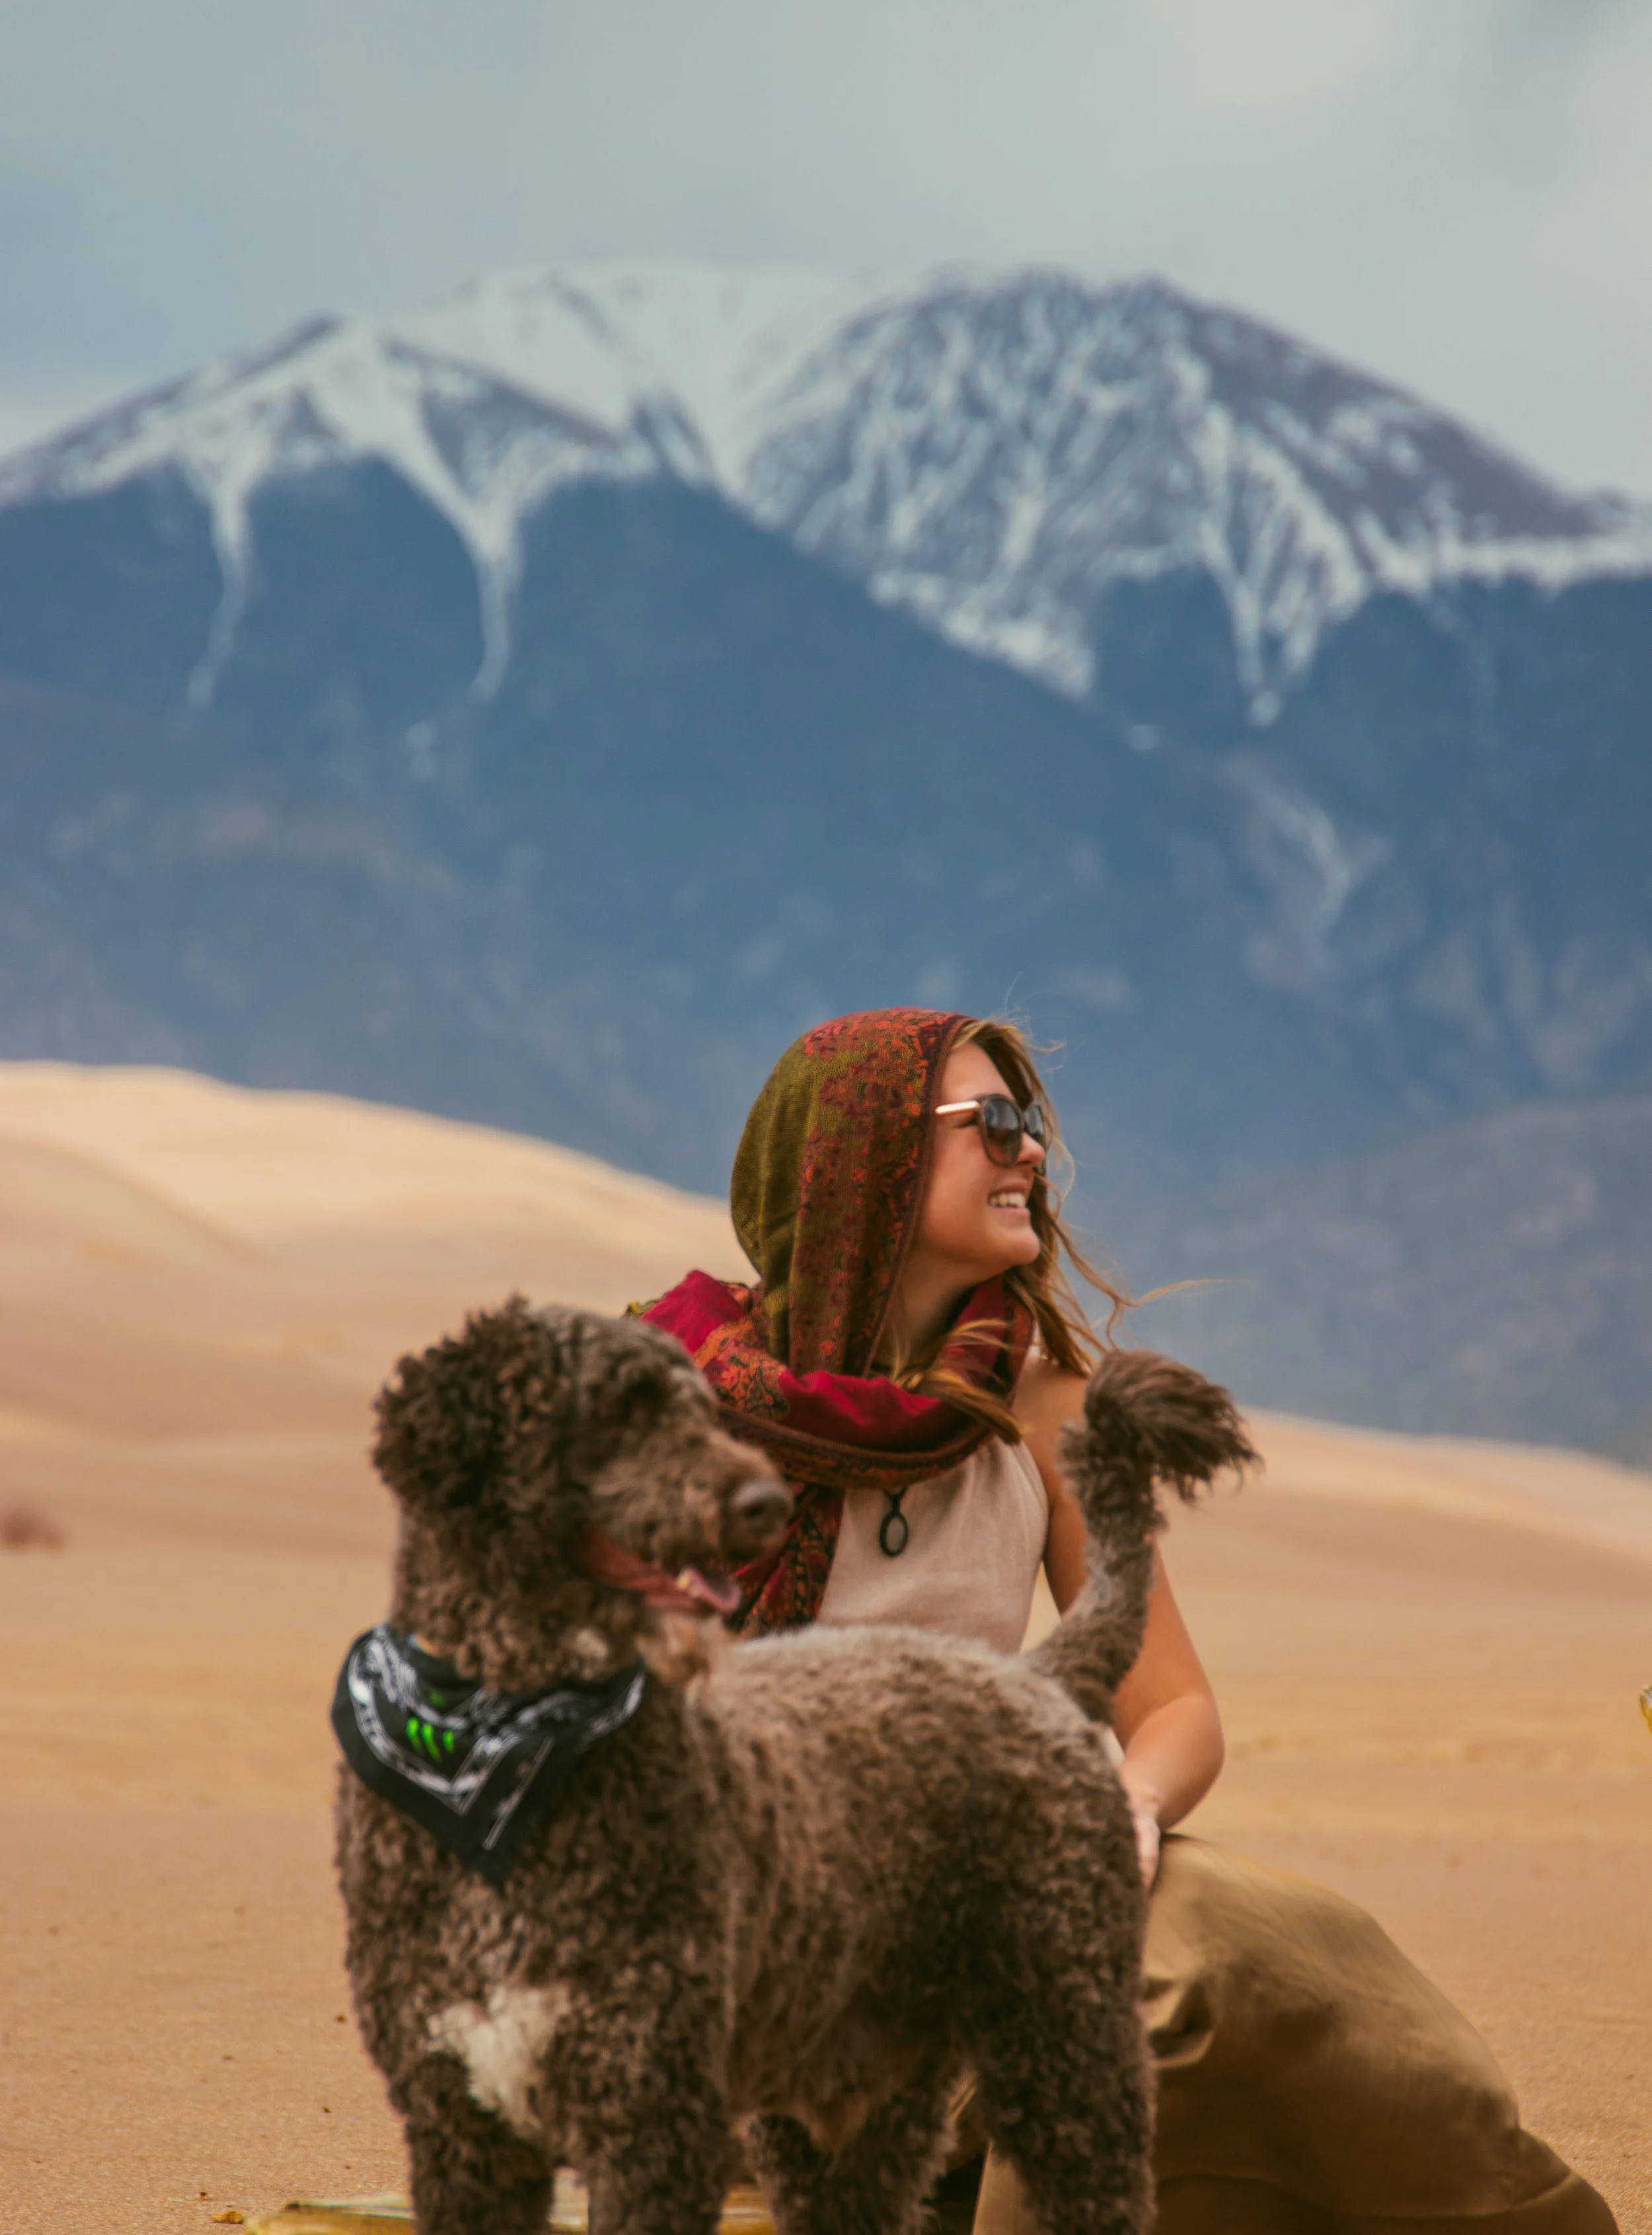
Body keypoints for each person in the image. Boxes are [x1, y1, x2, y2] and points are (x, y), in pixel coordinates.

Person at [641, 1007, 1617, 2235]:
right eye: (990, 1122)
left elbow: (1174, 1708)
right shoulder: (675, 1407)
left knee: (1296, 1954)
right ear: (866, 1160)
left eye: (1031, 1123)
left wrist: (1125, 1810)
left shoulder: (1045, 1402)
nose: (1030, 1152)